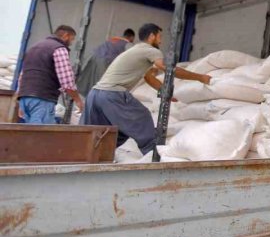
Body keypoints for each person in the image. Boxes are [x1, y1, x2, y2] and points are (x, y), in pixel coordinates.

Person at [80, 23, 211, 154]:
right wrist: (200, 77)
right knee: (142, 119)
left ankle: (91, 156)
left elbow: (148, 77)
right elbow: (169, 68)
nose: (161, 40)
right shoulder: (151, 50)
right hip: (113, 94)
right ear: (152, 36)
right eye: (159, 36)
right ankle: (153, 157)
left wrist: (165, 92)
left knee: (99, 133)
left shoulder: (136, 50)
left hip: (95, 95)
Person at [16, 25, 84, 124]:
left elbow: (23, 76)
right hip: (42, 98)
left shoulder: (33, 48)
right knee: (42, 135)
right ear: (66, 35)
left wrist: (20, 98)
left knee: (30, 133)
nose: (71, 43)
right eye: (72, 39)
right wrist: (78, 101)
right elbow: (67, 80)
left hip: (25, 98)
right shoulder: (59, 49)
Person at [76, 29, 135, 97]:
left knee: (90, 82)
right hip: (105, 61)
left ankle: (87, 98)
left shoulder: (113, 39)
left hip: (94, 58)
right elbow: (132, 55)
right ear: (131, 37)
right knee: (103, 85)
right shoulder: (127, 43)